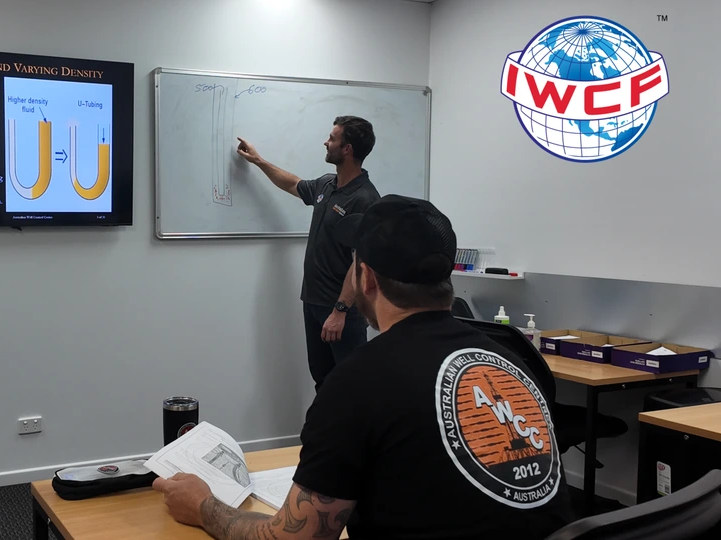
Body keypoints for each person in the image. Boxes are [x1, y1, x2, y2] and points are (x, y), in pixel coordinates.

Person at [153, 195, 576, 539]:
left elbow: (294, 538)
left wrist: (204, 507)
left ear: (366, 278)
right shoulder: (511, 362)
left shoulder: (357, 383)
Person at [236, 116, 381, 391]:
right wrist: (259, 161)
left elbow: (360, 261)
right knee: (323, 381)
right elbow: (293, 184)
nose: (326, 142)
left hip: (342, 311)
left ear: (347, 149)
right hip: (314, 303)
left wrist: (340, 311)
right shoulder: (327, 184)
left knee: (351, 387)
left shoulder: (365, 199)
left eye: (332, 138)